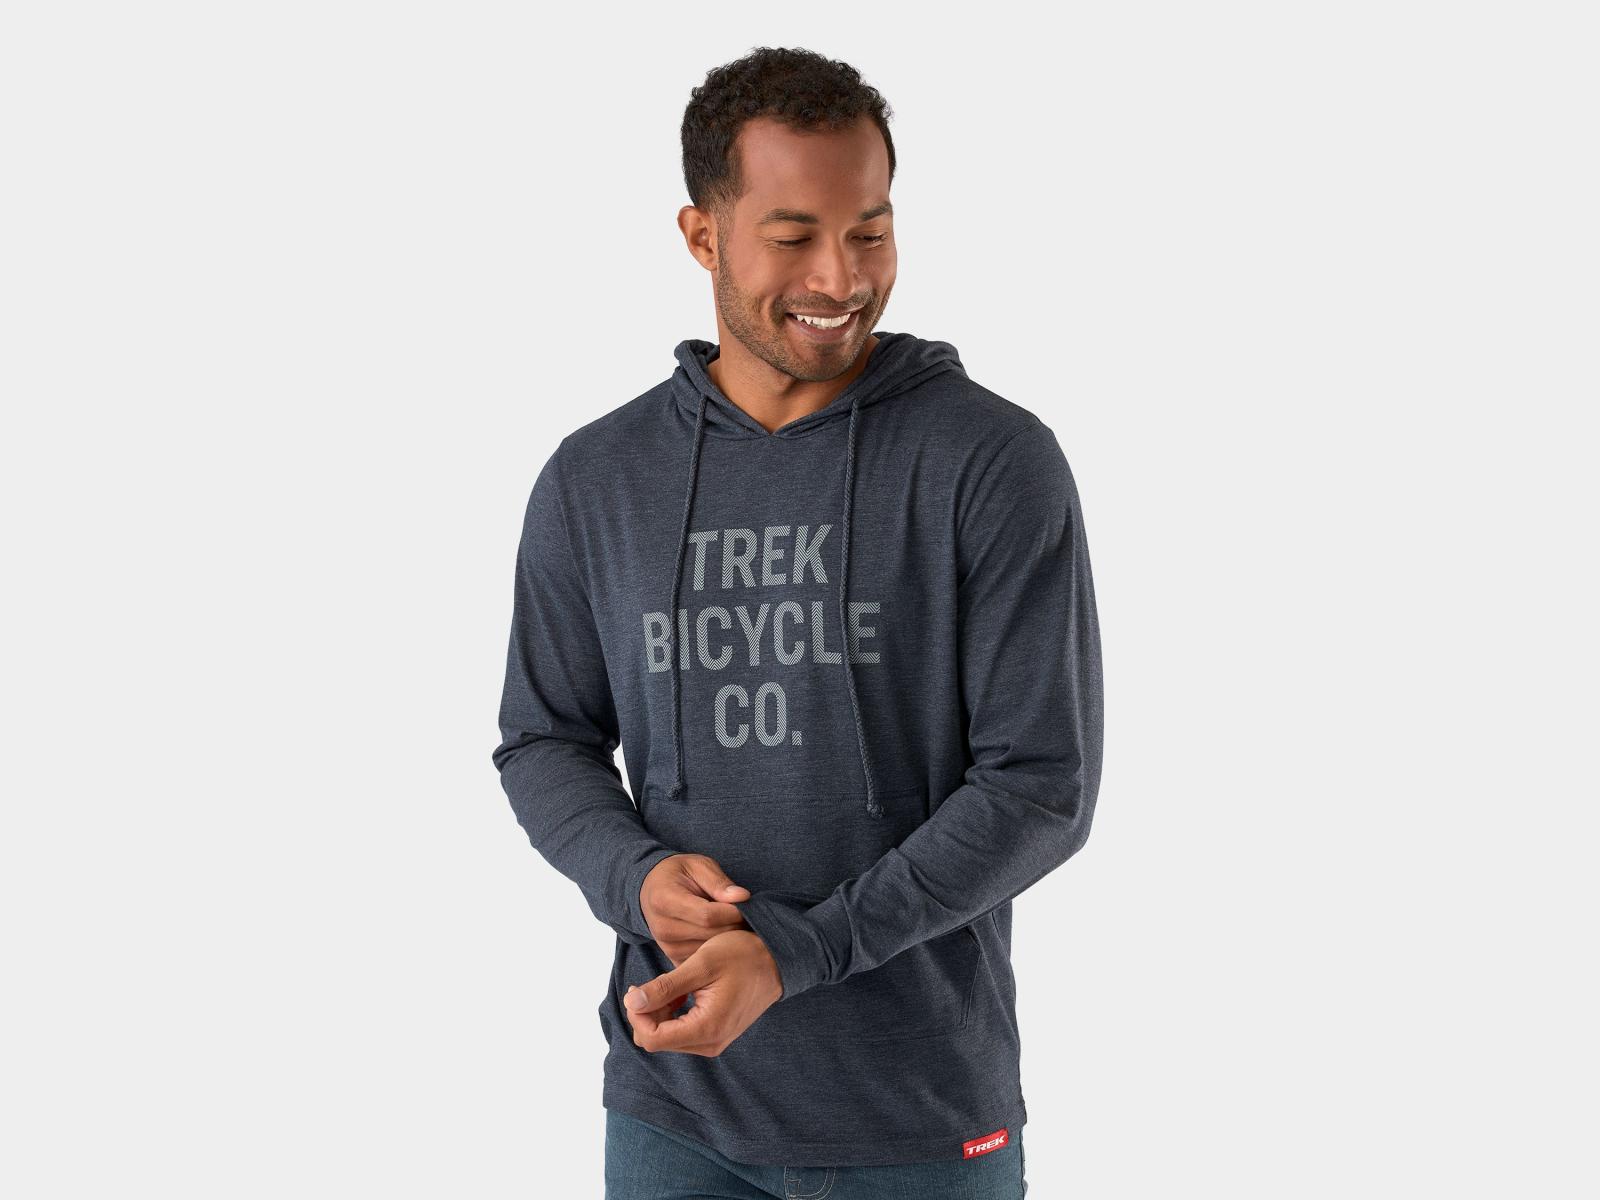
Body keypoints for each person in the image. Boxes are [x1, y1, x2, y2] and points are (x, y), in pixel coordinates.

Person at [491, 46, 1102, 1199]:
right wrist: (634, 877)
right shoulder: (596, 478)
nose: (840, 276)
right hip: (673, 1113)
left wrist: (797, 950)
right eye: (792, 235)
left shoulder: (989, 460)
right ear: (701, 234)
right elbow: (544, 738)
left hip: (917, 1119)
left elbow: (1039, 787)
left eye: (869, 231)